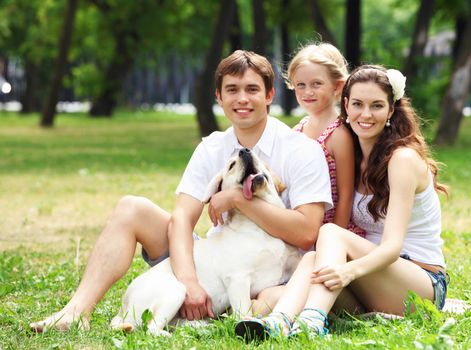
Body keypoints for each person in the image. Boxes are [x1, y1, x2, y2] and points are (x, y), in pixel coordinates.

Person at [30, 50, 333, 332]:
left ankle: (228, 314)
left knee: (269, 302)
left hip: (274, 269)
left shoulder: (301, 150)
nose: (242, 98)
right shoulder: (212, 146)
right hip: (215, 259)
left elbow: (307, 232)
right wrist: (189, 281)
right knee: (131, 208)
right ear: (219, 96)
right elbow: (181, 219)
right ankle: (76, 312)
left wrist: (239, 199)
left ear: (269, 95)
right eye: (232, 90)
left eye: (252, 89)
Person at [235, 64, 449, 340]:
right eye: (358, 104)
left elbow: (393, 247)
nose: (366, 114)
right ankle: (279, 322)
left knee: (331, 234)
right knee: (289, 281)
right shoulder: (355, 156)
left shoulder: (402, 160)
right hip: (372, 280)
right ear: (345, 105)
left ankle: (312, 322)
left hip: (420, 282)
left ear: (391, 110)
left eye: (377, 105)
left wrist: (348, 271)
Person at [286, 43, 365, 237]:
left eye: (316, 84)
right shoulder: (297, 130)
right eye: (300, 85)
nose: (307, 92)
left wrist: (332, 239)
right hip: (302, 225)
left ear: (337, 86)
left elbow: (346, 196)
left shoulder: (339, 134)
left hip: (332, 230)